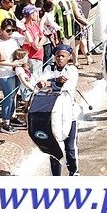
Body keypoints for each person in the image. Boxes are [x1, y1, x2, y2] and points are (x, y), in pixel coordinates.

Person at [37, 45, 81, 176]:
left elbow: (67, 86)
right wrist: (54, 80)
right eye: (58, 56)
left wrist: (49, 83)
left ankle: (74, 171)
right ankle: (56, 176)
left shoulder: (72, 70)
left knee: (70, 147)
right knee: (54, 148)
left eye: (63, 56)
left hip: (69, 115)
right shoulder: (49, 68)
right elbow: (40, 83)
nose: (60, 58)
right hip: (53, 116)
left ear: (69, 57)